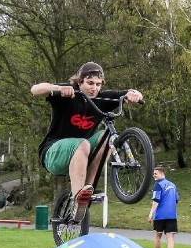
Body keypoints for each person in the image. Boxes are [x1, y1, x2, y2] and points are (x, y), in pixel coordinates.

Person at [31, 61, 143, 223]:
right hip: (52, 153)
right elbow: (35, 89)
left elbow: (132, 92)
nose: (94, 88)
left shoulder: (102, 98)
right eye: (90, 83)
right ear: (79, 81)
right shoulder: (68, 93)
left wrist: (134, 95)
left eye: (98, 84)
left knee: (108, 138)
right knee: (83, 143)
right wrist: (57, 89)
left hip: (81, 154)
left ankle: (86, 190)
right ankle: (78, 196)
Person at [147, 166, 178, 248]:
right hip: (172, 215)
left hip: (160, 215)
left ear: (161, 173)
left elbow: (156, 200)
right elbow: (176, 199)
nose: (153, 175)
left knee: (158, 236)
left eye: (155, 173)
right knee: (170, 237)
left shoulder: (158, 185)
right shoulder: (173, 185)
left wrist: (151, 213)